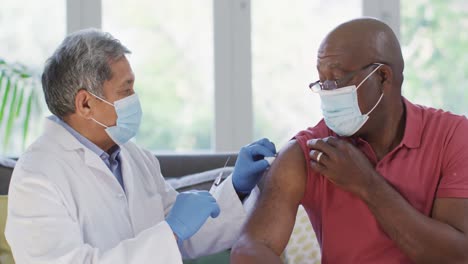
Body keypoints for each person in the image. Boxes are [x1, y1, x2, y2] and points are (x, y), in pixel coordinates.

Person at [5, 29, 276, 264]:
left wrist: (237, 189)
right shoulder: (37, 176)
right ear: (85, 103)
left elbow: (185, 237)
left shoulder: (134, 157)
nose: (134, 99)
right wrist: (170, 231)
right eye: (126, 90)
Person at [231, 17, 468, 264]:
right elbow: (249, 250)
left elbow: (458, 256)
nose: (327, 93)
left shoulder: (451, 136)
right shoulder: (310, 150)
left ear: (383, 77)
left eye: (336, 79)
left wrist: (367, 184)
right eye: (321, 82)